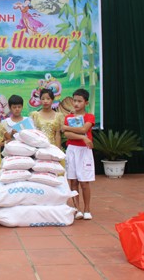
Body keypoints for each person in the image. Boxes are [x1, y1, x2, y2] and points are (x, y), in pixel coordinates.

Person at [62, 89, 95, 220]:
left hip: (84, 151)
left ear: (86, 102)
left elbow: (84, 129)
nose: (76, 103)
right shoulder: (68, 117)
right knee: (73, 180)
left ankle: (87, 209)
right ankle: (77, 209)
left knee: (84, 182)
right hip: (72, 149)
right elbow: (67, 135)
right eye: (74, 100)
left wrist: (67, 127)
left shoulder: (89, 117)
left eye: (79, 101)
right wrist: (83, 138)